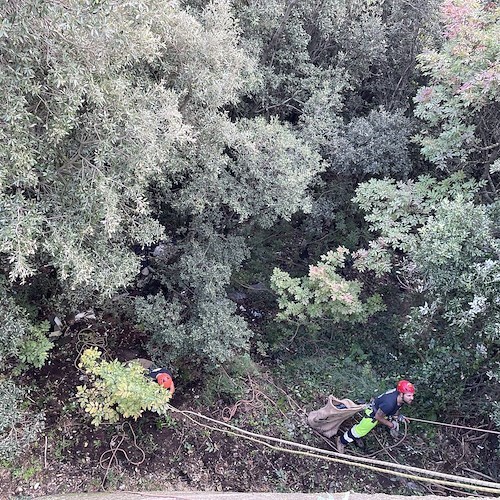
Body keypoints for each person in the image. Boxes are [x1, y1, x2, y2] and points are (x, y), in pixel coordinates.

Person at [335, 379, 415, 454]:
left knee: (361, 430)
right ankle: (341, 441)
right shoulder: (389, 404)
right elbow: (378, 417)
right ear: (401, 394)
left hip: (380, 410)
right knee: (359, 431)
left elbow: (397, 407)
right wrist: (391, 425)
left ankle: (354, 436)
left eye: (412, 395)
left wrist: (398, 417)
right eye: (409, 396)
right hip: (372, 415)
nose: (412, 398)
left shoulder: (399, 397)